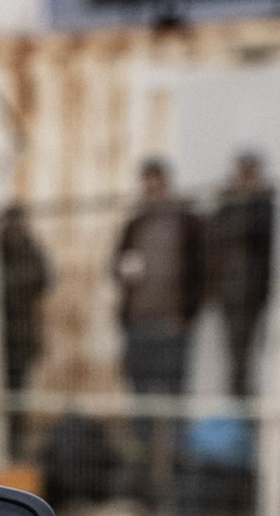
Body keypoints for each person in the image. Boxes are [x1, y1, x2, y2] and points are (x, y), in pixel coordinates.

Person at [112, 157, 207, 494]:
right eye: (146, 182)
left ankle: (176, 488)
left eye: (157, 182)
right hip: (139, 326)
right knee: (140, 409)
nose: (151, 189)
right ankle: (142, 486)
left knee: (173, 408)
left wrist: (187, 317)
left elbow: (204, 271)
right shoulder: (135, 225)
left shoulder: (186, 222)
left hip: (172, 328)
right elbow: (116, 266)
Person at [210, 150, 276, 400]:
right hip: (230, 293)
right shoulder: (227, 207)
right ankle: (237, 405)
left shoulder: (265, 206)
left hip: (258, 292)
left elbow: (261, 233)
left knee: (258, 353)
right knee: (235, 356)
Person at [0, 202, 54, 452]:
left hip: (21, 333)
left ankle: (14, 445)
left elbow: (43, 280)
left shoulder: (30, 249)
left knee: (17, 392)